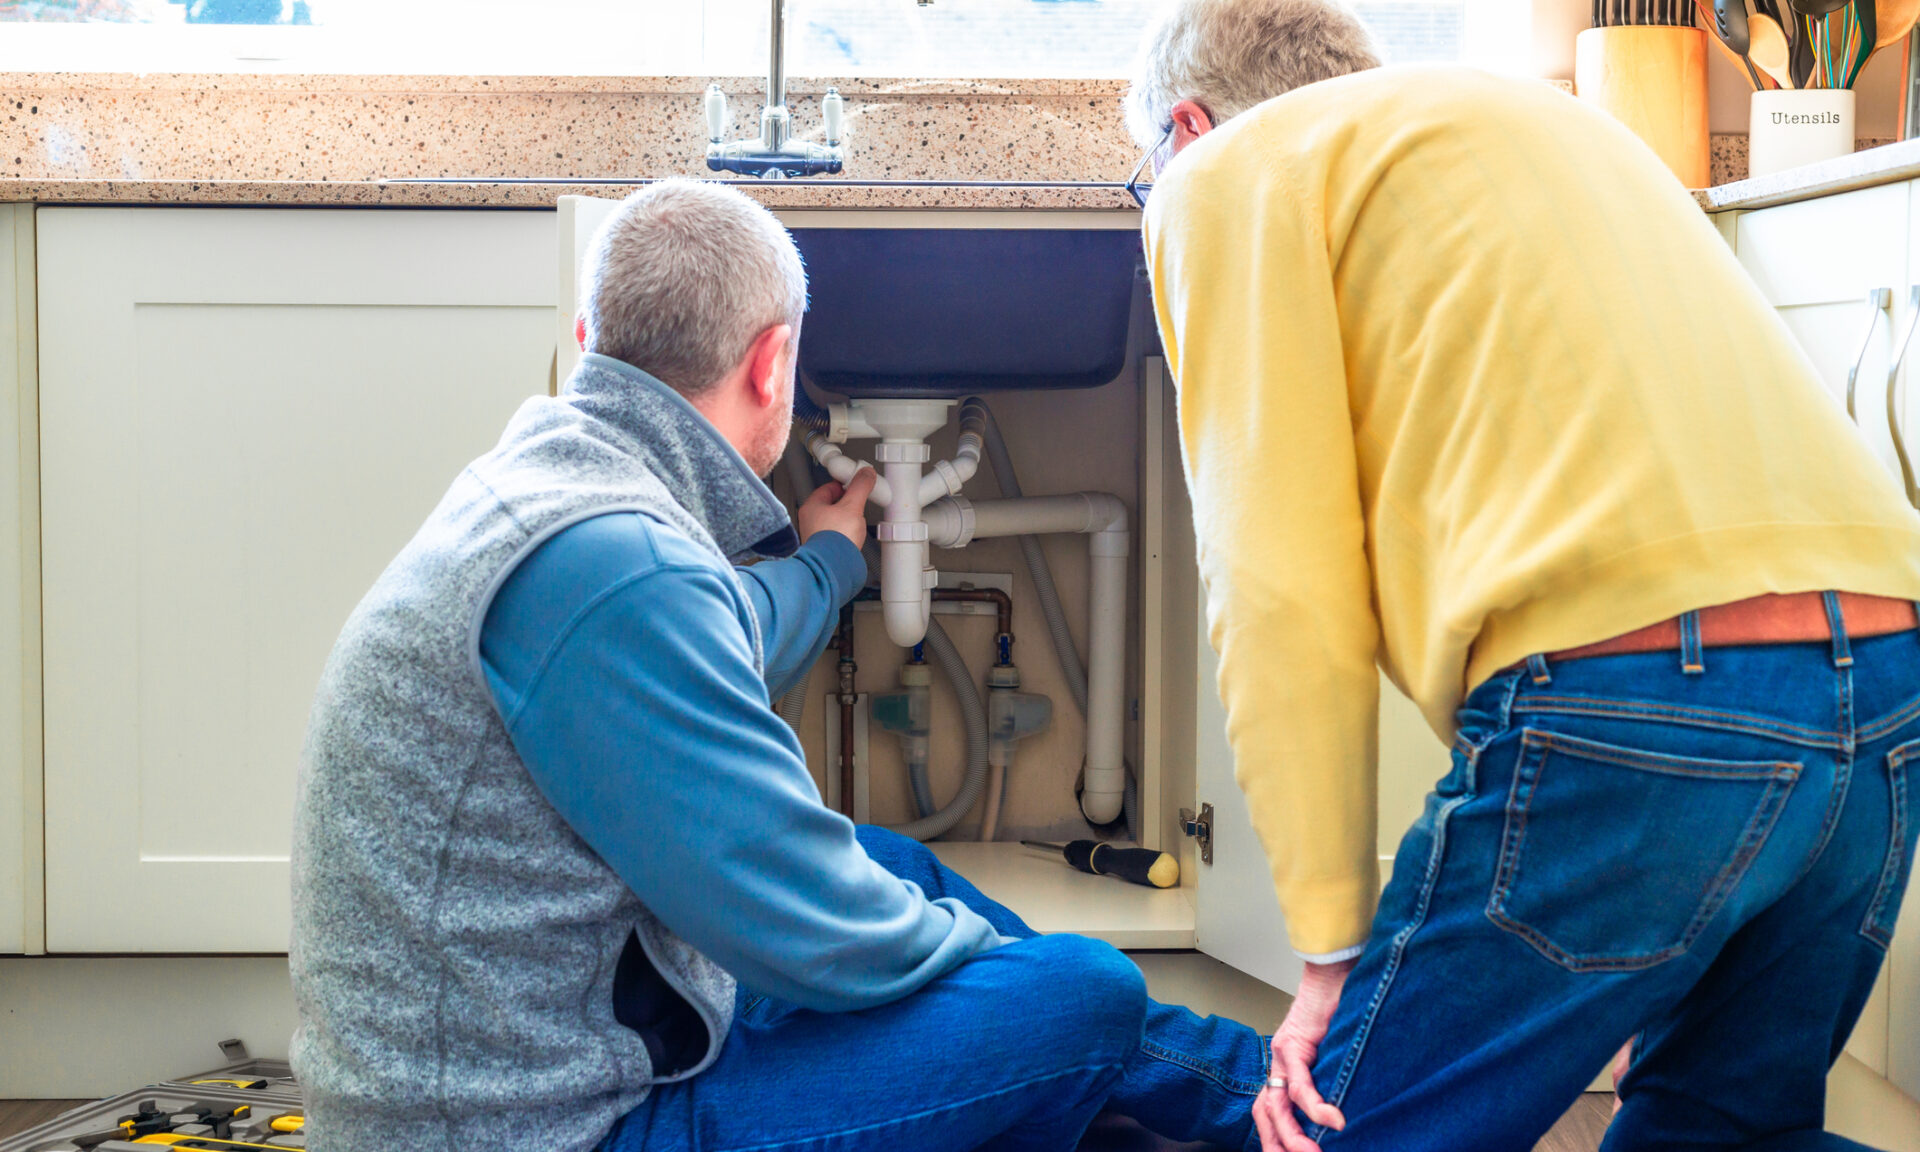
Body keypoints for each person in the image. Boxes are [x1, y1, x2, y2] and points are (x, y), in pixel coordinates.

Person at [289, 178, 1272, 1152]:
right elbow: (806, 924)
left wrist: (830, 561)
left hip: (515, 1054)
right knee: (1088, 996)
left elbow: (725, 626)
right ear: (772, 364)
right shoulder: (619, 571)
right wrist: (1006, 982)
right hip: (544, 1129)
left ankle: (1204, 1096)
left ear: (590, 343)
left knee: (898, 868)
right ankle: (1271, 1102)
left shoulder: (556, 494)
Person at [1123, 3, 1920, 1150]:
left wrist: (1330, 954)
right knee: (1719, 1139)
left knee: (1337, 1127)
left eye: (1148, 174)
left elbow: (1276, 589)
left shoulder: (1232, 170)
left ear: (1188, 126)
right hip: (1888, 684)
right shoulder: (1537, 121)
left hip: (1649, 702)